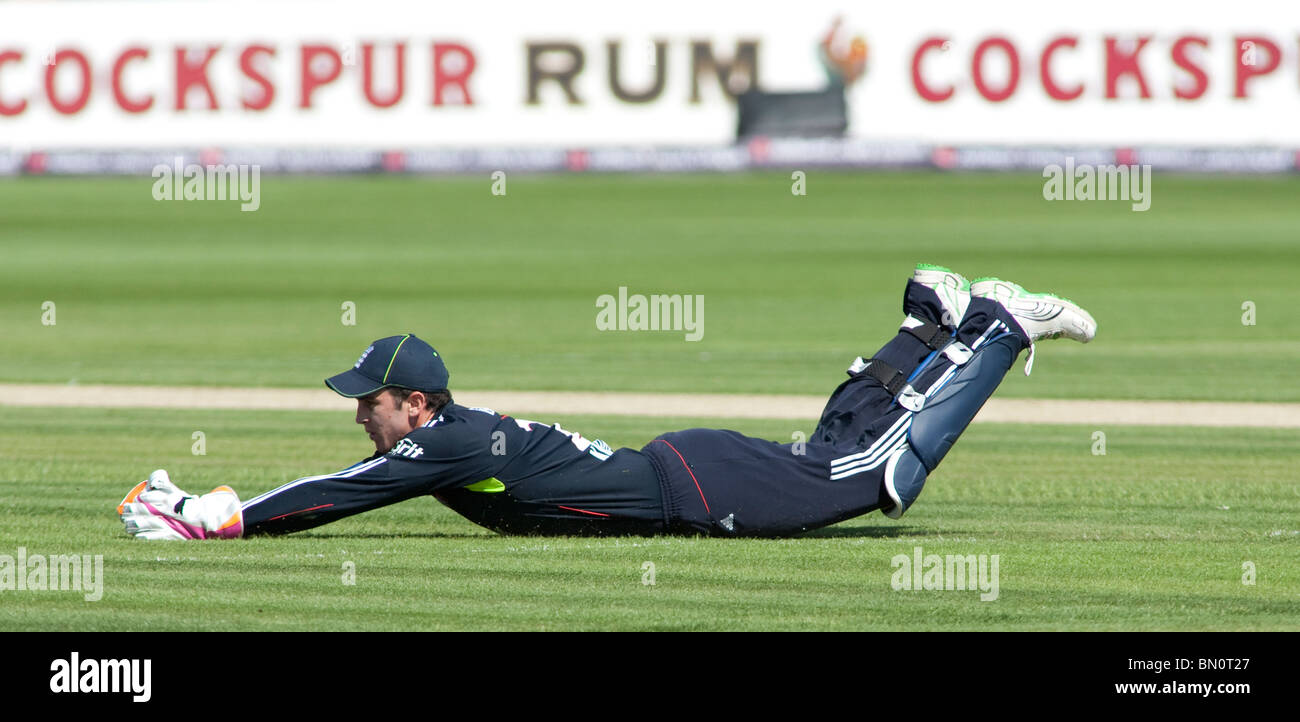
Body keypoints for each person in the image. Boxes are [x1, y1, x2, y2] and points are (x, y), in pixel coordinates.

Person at [117, 263, 1096, 540]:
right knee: (832, 448)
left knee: (875, 470)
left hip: (695, 482)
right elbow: (352, 473)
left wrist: (217, 518)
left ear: (413, 402)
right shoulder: (453, 435)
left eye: (369, 401)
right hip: (691, 467)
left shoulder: (442, 441)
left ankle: (995, 326)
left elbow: (336, 490)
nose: (359, 413)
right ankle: (928, 319)